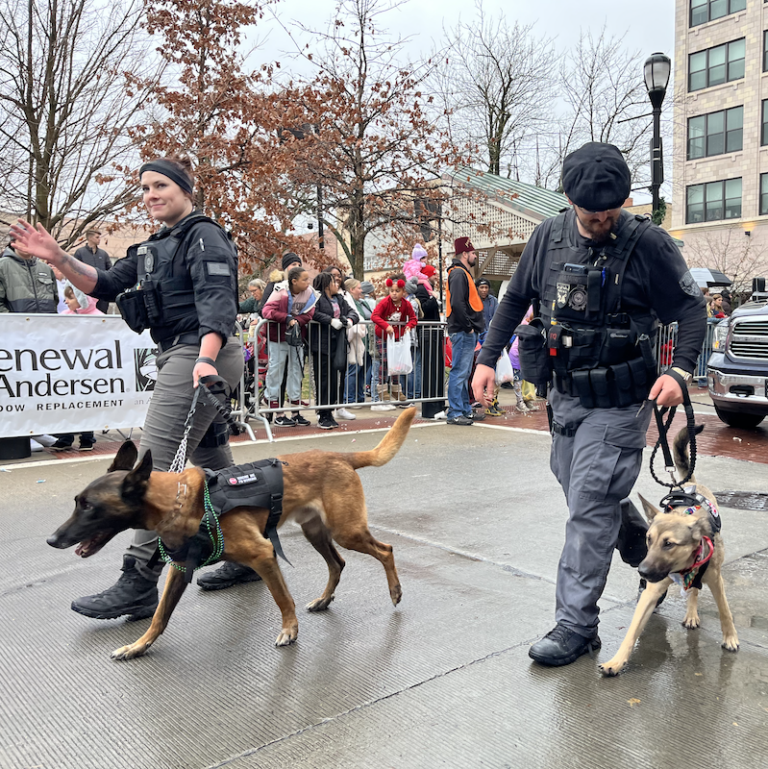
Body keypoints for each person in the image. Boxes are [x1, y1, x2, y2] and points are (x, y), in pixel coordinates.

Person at [471, 141, 707, 667]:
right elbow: (514, 298)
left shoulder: (649, 244)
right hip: (566, 397)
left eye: (610, 212)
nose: (601, 221)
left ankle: (576, 625)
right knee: (581, 490)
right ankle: (637, 543)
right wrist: (486, 359)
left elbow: (693, 310)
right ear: (570, 200)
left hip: (622, 403)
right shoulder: (546, 237)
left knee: (588, 507)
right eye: (591, 213)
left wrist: (679, 369)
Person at [10, 155, 252, 608]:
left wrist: (204, 360)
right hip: (177, 355)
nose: (151, 195)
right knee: (215, 467)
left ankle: (139, 580)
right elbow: (101, 283)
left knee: (151, 470)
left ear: (186, 190)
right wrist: (58, 256)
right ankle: (252, 552)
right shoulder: (150, 249)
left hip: (198, 355)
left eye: (161, 185)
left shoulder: (204, 235)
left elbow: (217, 300)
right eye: (144, 188)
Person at [260, 266, 316, 427]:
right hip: (278, 336)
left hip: (296, 337)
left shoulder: (309, 294)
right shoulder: (281, 291)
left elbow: (310, 313)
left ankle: (295, 410)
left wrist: (298, 321)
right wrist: (287, 318)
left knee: (296, 370)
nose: (308, 282)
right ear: (294, 281)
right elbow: (267, 311)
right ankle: (275, 409)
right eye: (304, 279)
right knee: (276, 369)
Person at [445, 237, 485, 425]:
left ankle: (463, 410)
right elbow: (457, 303)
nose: (475, 256)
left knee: (463, 371)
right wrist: (468, 326)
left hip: (463, 330)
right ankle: (455, 412)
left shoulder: (460, 273)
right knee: (460, 371)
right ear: (464, 254)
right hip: (463, 331)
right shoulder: (459, 274)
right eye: (473, 253)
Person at [309, 271, 357, 429]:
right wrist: (330, 320)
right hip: (322, 345)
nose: (337, 284)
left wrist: (349, 320)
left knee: (334, 380)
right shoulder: (317, 299)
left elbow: (353, 312)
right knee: (324, 380)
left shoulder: (340, 299)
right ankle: (323, 414)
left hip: (338, 344)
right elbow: (312, 313)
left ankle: (330, 410)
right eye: (333, 282)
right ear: (326, 285)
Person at [370, 274, 418, 406]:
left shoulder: (406, 304)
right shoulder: (385, 302)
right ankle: (382, 388)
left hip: (397, 337)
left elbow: (413, 318)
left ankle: (396, 389)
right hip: (383, 335)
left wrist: (408, 326)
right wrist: (386, 326)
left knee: (396, 363)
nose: (394, 294)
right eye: (392, 291)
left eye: (397, 291)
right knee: (385, 360)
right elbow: (374, 316)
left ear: (404, 292)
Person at [415, 264, 445, 419]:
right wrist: (434, 298)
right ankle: (430, 408)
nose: (436, 277)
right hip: (427, 335)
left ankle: (438, 405)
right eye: (433, 274)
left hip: (433, 334)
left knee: (436, 370)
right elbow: (423, 309)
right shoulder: (421, 289)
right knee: (430, 370)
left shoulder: (427, 288)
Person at [0, 237, 57, 314]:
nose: (26, 243)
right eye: (21, 240)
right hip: (15, 324)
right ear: (13, 243)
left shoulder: (45, 268)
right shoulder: (2, 266)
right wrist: (13, 322)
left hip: (45, 323)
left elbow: (54, 300)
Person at [343, 278, 371, 407]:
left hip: (365, 340)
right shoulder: (348, 302)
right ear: (351, 289)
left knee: (362, 369)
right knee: (352, 369)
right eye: (359, 288)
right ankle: (349, 398)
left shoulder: (362, 303)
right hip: (353, 339)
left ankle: (360, 396)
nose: (361, 290)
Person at [73, 229, 112, 313]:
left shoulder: (103, 254)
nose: (99, 239)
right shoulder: (80, 253)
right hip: (86, 290)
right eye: (97, 237)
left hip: (102, 290)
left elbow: (110, 270)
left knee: (102, 313)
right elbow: (75, 270)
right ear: (90, 238)